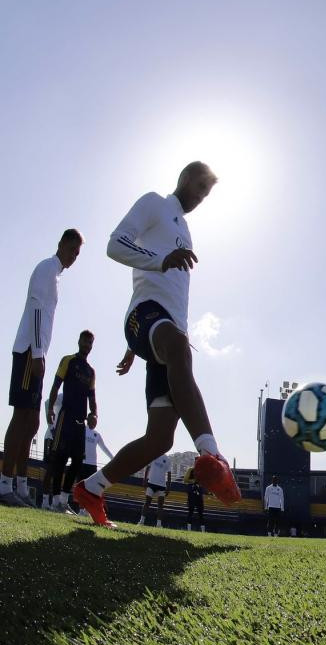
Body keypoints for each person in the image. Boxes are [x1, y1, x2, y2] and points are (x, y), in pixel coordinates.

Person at [74, 163, 239, 527]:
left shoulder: (187, 232)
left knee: (160, 439)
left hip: (163, 334)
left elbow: (171, 295)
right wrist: (160, 260)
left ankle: (91, 488)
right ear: (183, 178)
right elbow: (114, 244)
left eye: (205, 193)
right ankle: (213, 457)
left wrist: (141, 348)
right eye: (197, 186)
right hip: (145, 317)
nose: (199, 196)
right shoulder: (154, 203)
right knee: (179, 349)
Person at [2, 230, 83, 507]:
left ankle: (22, 487)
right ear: (60, 244)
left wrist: (42, 354)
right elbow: (36, 309)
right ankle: (4, 483)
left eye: (77, 253)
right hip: (28, 351)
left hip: (38, 354)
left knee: (33, 422)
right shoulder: (46, 269)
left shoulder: (56, 276)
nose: (73, 256)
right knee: (22, 416)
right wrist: (37, 353)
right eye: (71, 249)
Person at [44, 330, 99, 512]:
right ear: (79, 341)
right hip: (65, 417)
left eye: (90, 343)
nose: (87, 345)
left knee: (76, 462)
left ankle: (63, 500)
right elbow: (55, 385)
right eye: (85, 341)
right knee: (59, 459)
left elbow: (92, 397)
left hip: (79, 422)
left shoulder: (91, 371)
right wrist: (51, 408)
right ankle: (53, 502)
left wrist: (94, 414)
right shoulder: (68, 360)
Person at [138, 453, 171, 527]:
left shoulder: (167, 459)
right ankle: (141, 521)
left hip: (162, 485)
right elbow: (147, 467)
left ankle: (159, 524)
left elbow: (169, 474)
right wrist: (145, 480)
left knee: (160, 505)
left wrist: (168, 487)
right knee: (147, 502)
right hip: (151, 483)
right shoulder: (153, 455)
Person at [185, 468, 205, 532]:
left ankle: (203, 530)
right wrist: (194, 481)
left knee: (200, 512)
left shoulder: (202, 471)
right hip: (192, 493)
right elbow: (185, 479)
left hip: (199, 493)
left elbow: (204, 481)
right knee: (191, 511)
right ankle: (189, 529)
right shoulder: (191, 469)